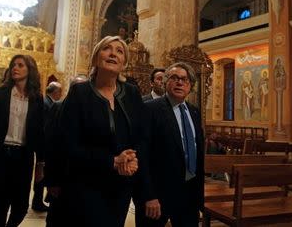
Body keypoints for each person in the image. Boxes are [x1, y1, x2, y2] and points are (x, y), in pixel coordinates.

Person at [58, 36, 144, 226]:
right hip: (85, 185)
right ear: (96, 58)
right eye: (107, 48)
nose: (113, 53)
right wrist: (112, 161)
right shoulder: (79, 93)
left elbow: (140, 136)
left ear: (124, 63)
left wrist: (132, 159)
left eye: (119, 51)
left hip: (120, 187)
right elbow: (67, 145)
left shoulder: (131, 93)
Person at [0, 55, 45, 227]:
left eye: (20, 65)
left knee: (21, 206)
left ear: (30, 70)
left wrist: (41, 164)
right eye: (13, 65)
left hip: (23, 156)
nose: (15, 68)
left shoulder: (37, 98)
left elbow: (39, 132)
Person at [137, 62, 205, 227]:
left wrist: (199, 197)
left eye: (185, 79)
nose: (180, 82)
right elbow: (141, 155)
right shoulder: (149, 109)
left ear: (190, 85)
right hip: (158, 195)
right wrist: (148, 195)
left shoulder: (194, 112)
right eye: (174, 78)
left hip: (189, 193)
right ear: (165, 82)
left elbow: (197, 153)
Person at [44, 75, 87, 227]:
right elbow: (51, 144)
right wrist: (51, 180)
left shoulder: (91, 109)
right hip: (62, 175)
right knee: (57, 218)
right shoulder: (58, 106)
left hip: (83, 179)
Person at [31, 81, 62, 212]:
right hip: (44, 146)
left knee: (42, 174)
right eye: (60, 91)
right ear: (55, 92)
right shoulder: (48, 104)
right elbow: (45, 128)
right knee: (41, 174)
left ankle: (39, 199)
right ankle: (37, 201)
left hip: (44, 146)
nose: (61, 94)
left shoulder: (48, 102)